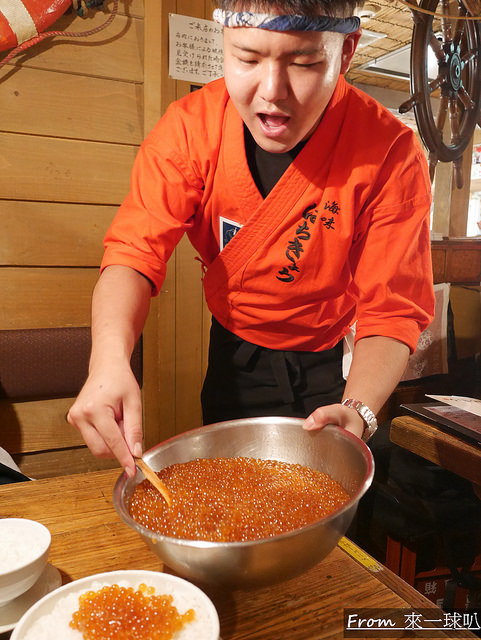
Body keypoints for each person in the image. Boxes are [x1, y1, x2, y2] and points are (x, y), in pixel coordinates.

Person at [67, 0, 435, 479]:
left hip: (330, 369)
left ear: (346, 51)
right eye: (246, 58)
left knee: (322, 516)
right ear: (224, 43)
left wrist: (360, 411)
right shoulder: (190, 128)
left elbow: (394, 308)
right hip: (233, 357)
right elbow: (134, 254)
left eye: (303, 63)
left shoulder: (389, 151)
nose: (271, 92)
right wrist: (108, 360)